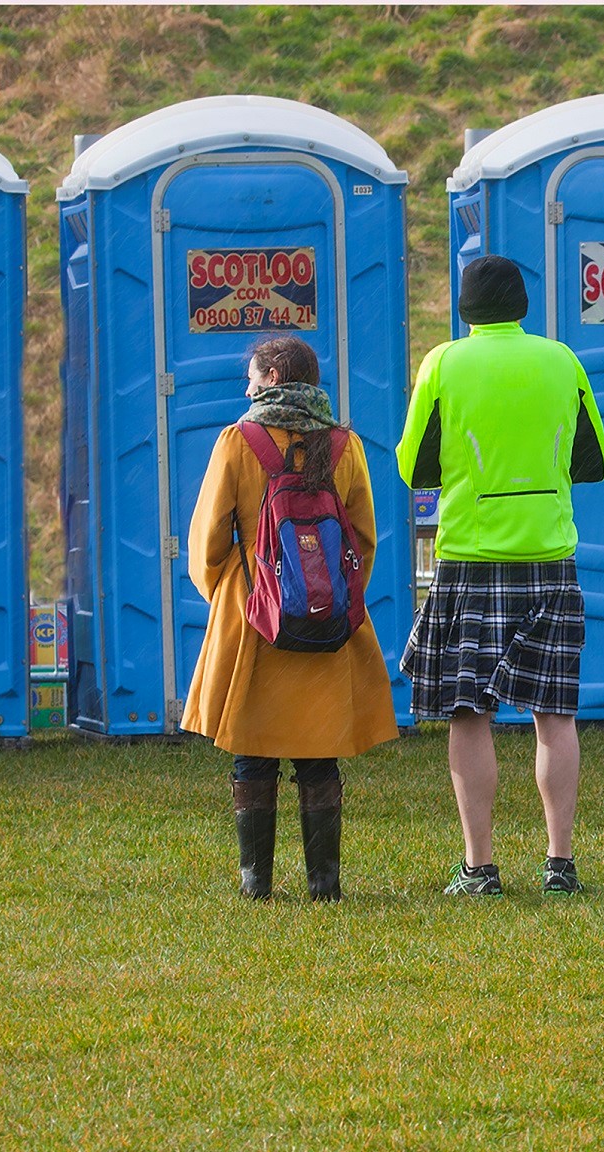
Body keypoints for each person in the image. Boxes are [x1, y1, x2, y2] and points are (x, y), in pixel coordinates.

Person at [396, 254, 604, 897]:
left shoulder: (443, 364)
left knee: (469, 713)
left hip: (472, 556)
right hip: (549, 556)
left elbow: (414, 467)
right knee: (555, 713)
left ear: (466, 308)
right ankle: (560, 864)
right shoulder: (562, 361)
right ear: (521, 304)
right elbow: (594, 461)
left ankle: (480, 868)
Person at [181, 335, 398, 901]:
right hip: (325, 620)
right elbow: (363, 540)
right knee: (318, 752)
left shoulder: (238, 441)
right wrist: (326, 595)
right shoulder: (345, 445)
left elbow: (207, 540)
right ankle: (324, 884)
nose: (247, 389)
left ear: (274, 377)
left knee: (252, 750)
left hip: (255, 615)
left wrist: (227, 592)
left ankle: (256, 884)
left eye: (253, 377)